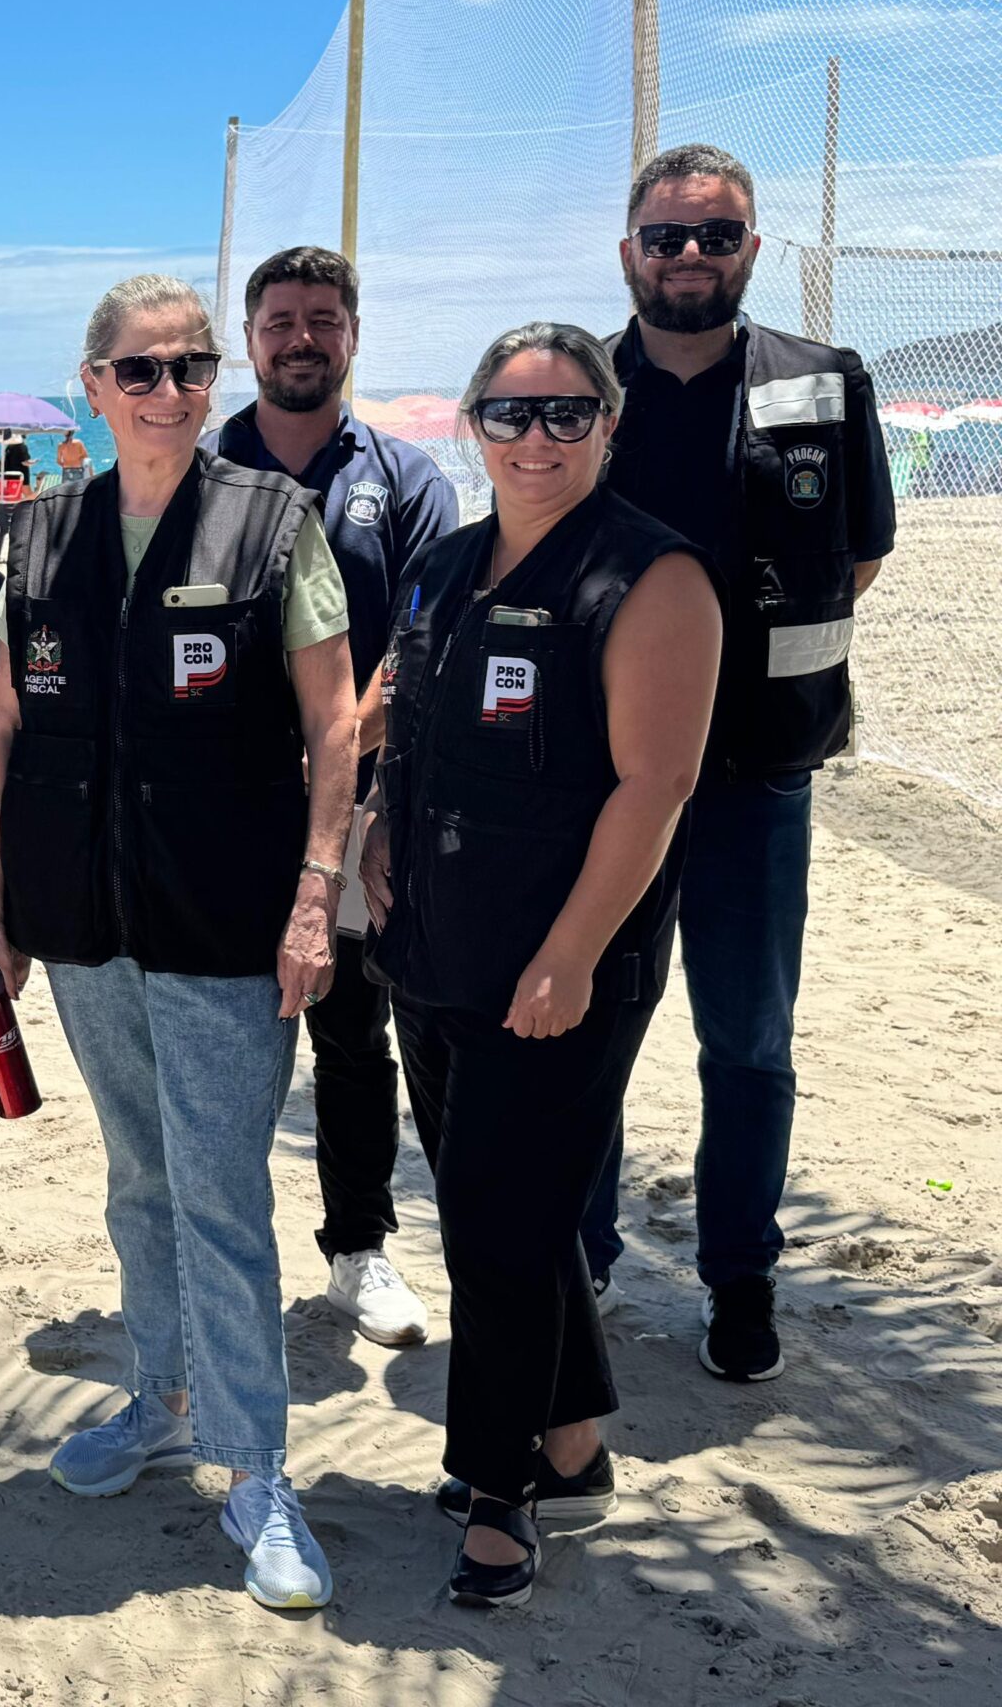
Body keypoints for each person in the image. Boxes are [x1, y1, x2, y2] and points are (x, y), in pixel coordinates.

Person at [0, 273, 354, 1611]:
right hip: (87, 931)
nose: (170, 390)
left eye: (190, 368)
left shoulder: (272, 522)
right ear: (94, 387)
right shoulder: (38, 537)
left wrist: (314, 895)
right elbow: (3, 727)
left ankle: (255, 1473)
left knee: (224, 1197)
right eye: (142, 370)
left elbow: (336, 724)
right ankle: (162, 1398)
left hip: (224, 924)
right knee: (137, 1182)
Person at [361, 321, 722, 1605]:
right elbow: (398, 730)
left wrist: (570, 954)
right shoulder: (445, 565)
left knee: (505, 1228)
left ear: (606, 427)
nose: (535, 438)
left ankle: (499, 1486)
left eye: (566, 413)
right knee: (485, 1203)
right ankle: (571, 1441)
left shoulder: (650, 575)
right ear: (473, 426)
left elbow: (655, 783)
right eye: (509, 415)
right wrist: (370, 847)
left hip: (561, 959)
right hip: (435, 943)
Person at [584, 145, 898, 1381]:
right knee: (587, 1032)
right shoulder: (581, 392)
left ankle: (739, 1278)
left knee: (749, 1043)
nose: (689, 257)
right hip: (600, 788)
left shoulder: (822, 382)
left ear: (752, 250)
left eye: (716, 235)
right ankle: (582, 1260)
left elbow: (858, 554)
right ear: (628, 254)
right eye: (665, 237)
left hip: (758, 779)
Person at [207, 246, 458, 1347]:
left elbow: (427, 634)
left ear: (351, 334)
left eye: (321, 318)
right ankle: (216, 1255)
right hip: (218, 807)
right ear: (248, 336)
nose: (299, 337)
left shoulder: (402, 480)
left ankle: (358, 1248)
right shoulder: (204, 462)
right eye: (278, 320)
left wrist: (345, 748)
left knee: (354, 1033)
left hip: (356, 813)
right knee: (218, 1036)